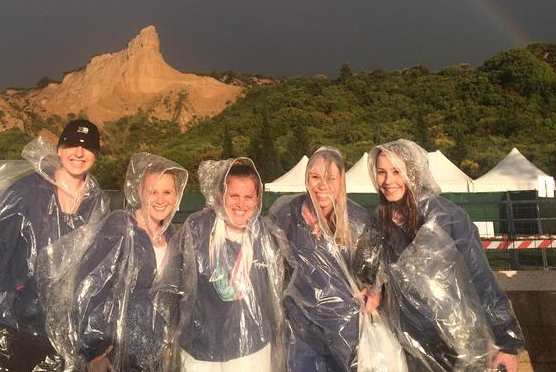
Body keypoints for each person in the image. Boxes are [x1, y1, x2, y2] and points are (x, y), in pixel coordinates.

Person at [0, 120, 106, 372]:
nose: (78, 152)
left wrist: (95, 349)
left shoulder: (96, 205)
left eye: (87, 147)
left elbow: (95, 281)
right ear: (59, 149)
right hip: (8, 330)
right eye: (71, 144)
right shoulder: (27, 191)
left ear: (96, 154)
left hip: (59, 337)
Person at [369, 139, 524, 372]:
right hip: (407, 343)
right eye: (381, 172)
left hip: (455, 343)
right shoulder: (382, 223)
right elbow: (382, 275)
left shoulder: (447, 218)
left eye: (396, 171)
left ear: (413, 172)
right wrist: (374, 290)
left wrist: (507, 341)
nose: (388, 180)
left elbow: (480, 277)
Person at [44, 153, 188, 372]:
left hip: (158, 353)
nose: (160, 200)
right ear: (139, 193)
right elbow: (88, 288)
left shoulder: (171, 235)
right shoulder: (119, 227)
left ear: (176, 195)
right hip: (117, 352)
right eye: (152, 192)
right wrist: (95, 352)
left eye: (167, 192)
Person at [154, 158, 285, 372]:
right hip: (201, 351)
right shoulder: (197, 229)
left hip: (252, 350)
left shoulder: (266, 236)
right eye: (233, 196)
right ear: (220, 195)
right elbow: (170, 286)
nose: (241, 204)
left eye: (248, 197)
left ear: (257, 199)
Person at [267, 146, 387, 372]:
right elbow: (271, 266)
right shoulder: (287, 215)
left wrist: (375, 290)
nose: (322, 186)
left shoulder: (358, 220)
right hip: (301, 330)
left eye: (330, 178)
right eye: (315, 177)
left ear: (341, 180)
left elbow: (373, 273)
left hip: (346, 328)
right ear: (306, 179)